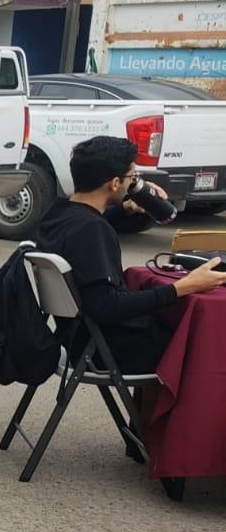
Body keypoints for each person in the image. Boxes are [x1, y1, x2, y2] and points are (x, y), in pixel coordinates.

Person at [35, 135, 226, 373]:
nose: (133, 184)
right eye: (132, 177)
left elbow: (83, 228)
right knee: (207, 342)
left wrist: (124, 209)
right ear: (115, 183)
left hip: (76, 338)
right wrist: (183, 287)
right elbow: (106, 306)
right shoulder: (93, 230)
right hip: (107, 351)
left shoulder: (58, 213)